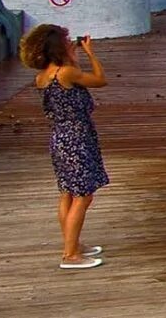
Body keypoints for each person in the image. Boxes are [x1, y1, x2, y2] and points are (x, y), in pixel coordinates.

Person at [20, 24, 109, 270]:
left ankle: (72, 244)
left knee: (68, 193)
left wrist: (74, 58)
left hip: (60, 137)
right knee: (83, 195)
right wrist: (90, 53)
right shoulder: (66, 72)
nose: (72, 43)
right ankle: (70, 255)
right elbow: (100, 80)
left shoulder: (44, 76)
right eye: (67, 41)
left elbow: (73, 85)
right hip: (76, 138)